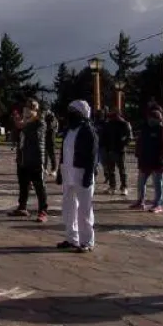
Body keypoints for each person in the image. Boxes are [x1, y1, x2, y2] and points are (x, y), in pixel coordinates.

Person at [56, 100, 98, 252]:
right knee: (68, 207)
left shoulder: (88, 131)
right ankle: (72, 238)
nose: (70, 114)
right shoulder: (68, 130)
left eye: (73, 111)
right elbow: (63, 151)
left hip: (82, 172)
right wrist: (59, 172)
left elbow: (93, 155)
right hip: (68, 172)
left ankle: (87, 241)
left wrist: (88, 174)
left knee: (84, 210)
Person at [11, 99, 49, 223]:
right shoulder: (24, 123)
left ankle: (43, 211)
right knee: (23, 184)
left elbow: (35, 137)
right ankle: (22, 207)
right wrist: (17, 125)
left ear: (36, 111)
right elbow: (16, 138)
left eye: (31, 109)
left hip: (35, 159)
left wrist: (23, 124)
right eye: (26, 109)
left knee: (39, 186)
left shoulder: (40, 123)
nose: (27, 111)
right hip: (23, 158)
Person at [132, 109, 163, 213]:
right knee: (141, 183)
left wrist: (161, 157)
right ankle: (140, 202)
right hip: (144, 161)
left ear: (159, 119)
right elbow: (139, 142)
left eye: (153, 118)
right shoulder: (145, 129)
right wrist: (138, 153)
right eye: (149, 117)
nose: (150, 120)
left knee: (157, 184)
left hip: (157, 163)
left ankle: (157, 204)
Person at [99, 109, 132, 196]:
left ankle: (124, 187)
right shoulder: (107, 124)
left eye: (114, 116)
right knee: (111, 170)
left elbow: (129, 137)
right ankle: (112, 186)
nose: (112, 118)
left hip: (120, 151)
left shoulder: (124, 124)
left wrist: (122, 144)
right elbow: (103, 137)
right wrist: (104, 147)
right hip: (109, 150)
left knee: (122, 170)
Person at [43, 110, 58, 177]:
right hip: (45, 137)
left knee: (52, 154)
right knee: (45, 154)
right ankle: (45, 168)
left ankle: (54, 170)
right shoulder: (44, 118)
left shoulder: (53, 118)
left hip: (51, 137)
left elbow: (53, 127)